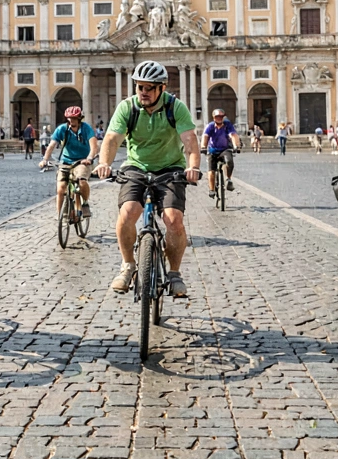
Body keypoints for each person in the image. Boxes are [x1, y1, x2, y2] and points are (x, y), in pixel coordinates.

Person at [94, 60, 201, 298]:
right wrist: (104, 163)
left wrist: (193, 167)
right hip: (136, 167)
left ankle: (174, 273)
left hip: (170, 168)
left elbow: (190, 142)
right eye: (139, 86)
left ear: (161, 88)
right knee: (128, 212)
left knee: (173, 220)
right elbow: (112, 140)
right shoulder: (127, 108)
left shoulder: (176, 108)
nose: (143, 91)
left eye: (149, 87)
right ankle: (128, 265)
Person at [40, 105, 98, 219]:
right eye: (69, 118)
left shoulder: (86, 128)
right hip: (66, 161)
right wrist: (45, 159)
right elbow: (52, 145)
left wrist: (90, 158)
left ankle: (85, 203)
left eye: (74, 118)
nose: (71, 121)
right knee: (61, 188)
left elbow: (93, 146)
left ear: (79, 118)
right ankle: (61, 216)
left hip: (82, 161)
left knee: (81, 181)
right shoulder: (62, 129)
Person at [201, 108, 240, 197]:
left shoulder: (227, 125)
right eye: (217, 117)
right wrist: (203, 147)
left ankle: (229, 179)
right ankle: (211, 189)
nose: (219, 118)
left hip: (224, 149)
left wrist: (236, 146)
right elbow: (205, 136)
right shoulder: (210, 126)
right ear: (214, 118)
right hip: (212, 150)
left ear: (223, 117)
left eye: (221, 117)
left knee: (229, 161)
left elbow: (233, 135)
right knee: (211, 170)